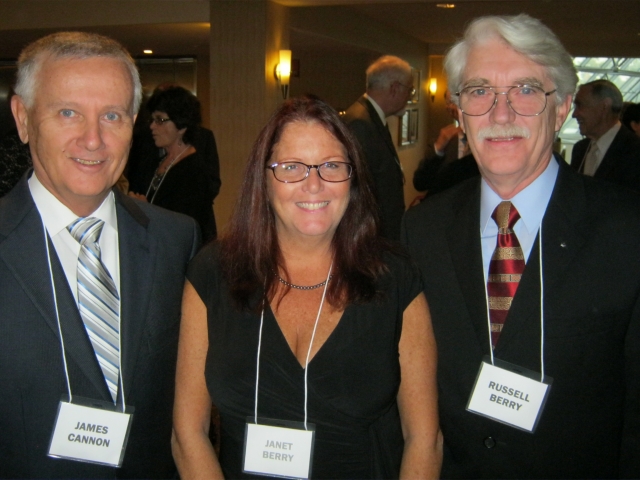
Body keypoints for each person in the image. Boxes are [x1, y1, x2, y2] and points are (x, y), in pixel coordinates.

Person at [402, 14, 640, 479]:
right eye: (479, 91)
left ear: (562, 108)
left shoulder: (627, 231)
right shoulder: (423, 230)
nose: (501, 114)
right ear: (460, 112)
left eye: (526, 91)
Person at [172, 96, 442, 479]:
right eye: (291, 167)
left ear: (353, 178)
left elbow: (424, 439)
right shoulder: (213, 272)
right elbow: (188, 434)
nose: (313, 185)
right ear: (263, 179)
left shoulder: (394, 276)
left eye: (332, 166)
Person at [0, 32, 200, 478]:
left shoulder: (176, 240)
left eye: (111, 115)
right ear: (23, 117)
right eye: (68, 112)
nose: (93, 140)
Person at [127, 86, 218, 242]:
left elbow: (184, 229)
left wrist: (144, 210)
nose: (152, 126)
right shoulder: (160, 161)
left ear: (181, 125)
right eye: (152, 119)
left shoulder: (195, 171)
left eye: (160, 120)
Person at [343, 55, 414, 241]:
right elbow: (356, 194)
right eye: (410, 90)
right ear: (395, 88)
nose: (409, 96)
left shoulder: (372, 118)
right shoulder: (360, 124)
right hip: (371, 243)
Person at [570, 79, 640, 191]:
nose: (574, 114)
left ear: (604, 106)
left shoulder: (634, 152)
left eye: (580, 105)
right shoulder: (580, 149)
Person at [413, 90, 478, 195]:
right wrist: (438, 148)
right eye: (448, 102)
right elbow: (420, 183)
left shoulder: (489, 139)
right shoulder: (444, 139)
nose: (452, 107)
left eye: (455, 101)